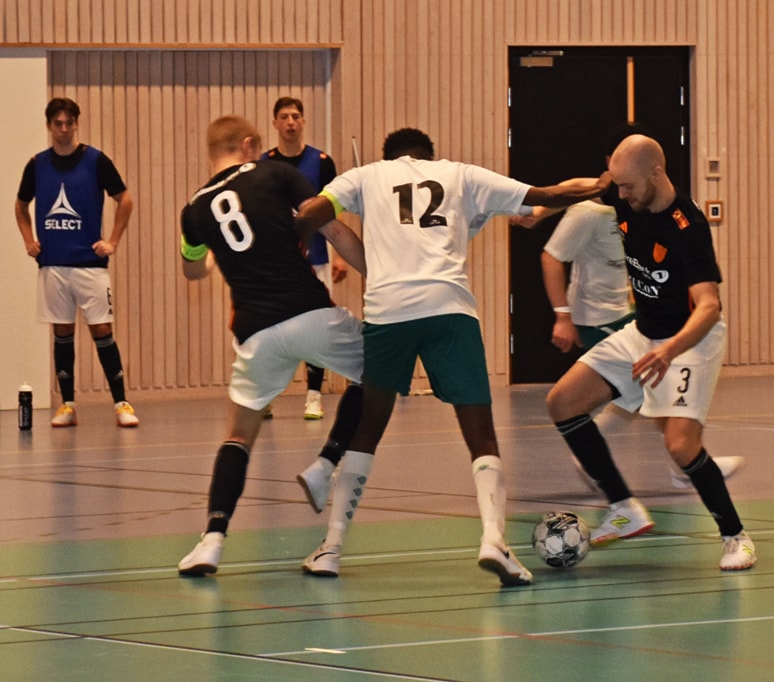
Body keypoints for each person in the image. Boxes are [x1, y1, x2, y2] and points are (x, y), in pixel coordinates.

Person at [294, 127, 611, 586]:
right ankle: (494, 540)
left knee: (366, 431)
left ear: (389, 157)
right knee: (479, 432)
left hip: (389, 312)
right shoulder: (460, 175)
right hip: (450, 309)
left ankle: (331, 548)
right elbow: (548, 194)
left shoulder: (365, 176)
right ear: (430, 155)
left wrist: (295, 237)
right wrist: (603, 184)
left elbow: (312, 212)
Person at [545, 134, 756, 571]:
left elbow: (710, 307)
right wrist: (539, 211)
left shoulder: (687, 226)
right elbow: (589, 185)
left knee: (681, 446)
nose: (620, 195)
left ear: (656, 174)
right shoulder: (624, 194)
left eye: (628, 186)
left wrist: (668, 352)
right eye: (618, 186)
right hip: (642, 333)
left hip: (689, 341)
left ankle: (736, 536)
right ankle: (624, 508)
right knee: (562, 401)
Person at [176, 115, 369, 577]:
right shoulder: (277, 172)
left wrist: (216, 252)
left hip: (255, 333)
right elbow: (332, 231)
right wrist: (380, 274)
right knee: (383, 366)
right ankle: (325, 462)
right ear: (248, 145)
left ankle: (211, 541)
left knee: (238, 436)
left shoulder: (194, 210)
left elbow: (192, 271)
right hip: (309, 312)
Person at [14, 97, 139, 428]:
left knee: (102, 330)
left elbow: (125, 199)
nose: (64, 129)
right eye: (58, 123)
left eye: (69, 123)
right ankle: (67, 405)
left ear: (76, 124)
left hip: (90, 264)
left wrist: (112, 241)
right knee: (62, 331)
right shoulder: (37, 164)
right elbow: (20, 205)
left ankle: (122, 403)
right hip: (53, 265)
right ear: (49, 126)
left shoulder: (95, 160)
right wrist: (28, 240)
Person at [260, 96, 354, 421]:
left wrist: (339, 254)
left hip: (316, 257)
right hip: (277, 260)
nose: (290, 122)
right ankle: (265, 395)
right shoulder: (264, 164)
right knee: (271, 327)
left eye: (296, 116)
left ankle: (314, 396)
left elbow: (333, 210)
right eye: (284, 116)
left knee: (317, 327)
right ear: (275, 123)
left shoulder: (322, 162)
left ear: (303, 121)